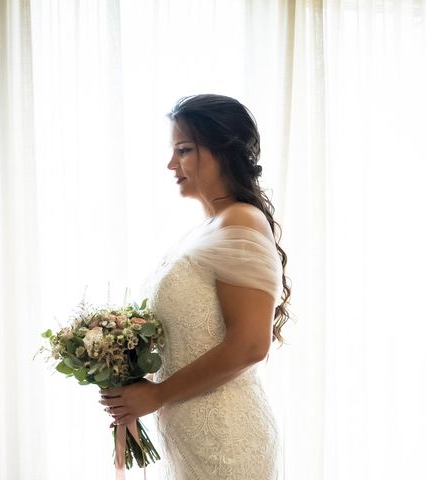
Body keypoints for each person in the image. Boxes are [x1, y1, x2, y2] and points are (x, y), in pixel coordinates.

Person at [100, 94, 291, 479]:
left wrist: (155, 395)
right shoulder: (206, 230)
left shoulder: (241, 222)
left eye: (184, 150)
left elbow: (251, 344)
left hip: (225, 439)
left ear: (222, 151)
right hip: (189, 435)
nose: (171, 164)